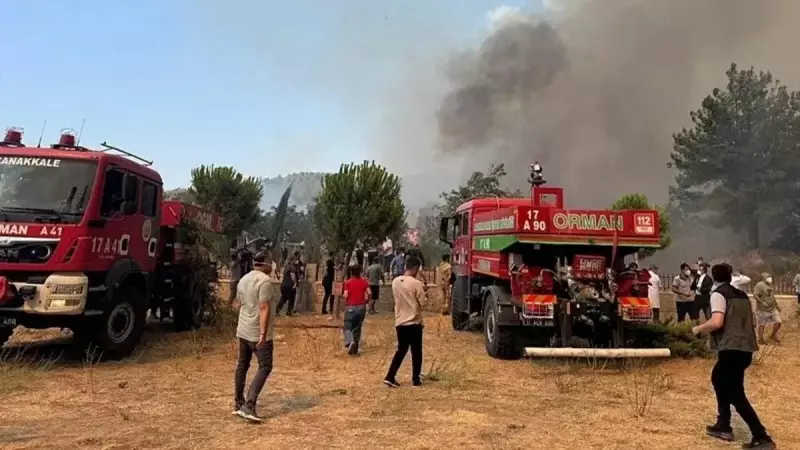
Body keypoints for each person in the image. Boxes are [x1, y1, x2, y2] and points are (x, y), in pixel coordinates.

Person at [691, 263, 775, 449]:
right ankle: (723, 424)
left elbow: (717, 322)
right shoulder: (742, 295)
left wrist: (698, 329)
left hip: (731, 349)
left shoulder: (718, 294)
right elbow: (753, 322)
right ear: (730, 276)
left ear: (714, 277)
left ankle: (761, 436)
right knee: (719, 379)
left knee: (735, 393)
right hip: (745, 349)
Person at [232, 252, 277, 423]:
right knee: (265, 366)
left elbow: (237, 303)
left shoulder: (244, 279)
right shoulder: (265, 282)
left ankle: (238, 403)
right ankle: (249, 405)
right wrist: (263, 334)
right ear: (266, 264)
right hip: (256, 332)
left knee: (242, 365)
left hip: (242, 329)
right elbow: (264, 307)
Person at [384, 255, 425, 388]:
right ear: (414, 268)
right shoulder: (416, 284)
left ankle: (390, 376)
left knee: (401, 350)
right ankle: (416, 378)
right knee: (416, 351)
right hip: (414, 322)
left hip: (400, 321)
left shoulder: (396, 281)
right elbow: (423, 302)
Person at [342, 265, 370, 355]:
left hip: (351, 307)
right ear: (359, 272)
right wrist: (366, 300)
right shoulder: (364, 282)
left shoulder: (348, 282)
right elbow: (369, 292)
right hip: (362, 307)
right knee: (358, 327)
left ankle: (350, 342)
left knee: (348, 326)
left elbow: (346, 295)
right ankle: (355, 349)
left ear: (351, 272)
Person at [753, 273, 782, 344]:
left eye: (770, 276)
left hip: (772, 308)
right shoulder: (759, 285)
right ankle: (760, 339)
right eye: (768, 277)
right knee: (762, 324)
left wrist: (777, 306)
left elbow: (772, 297)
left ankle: (772, 335)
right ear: (763, 278)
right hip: (763, 309)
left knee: (778, 322)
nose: (770, 278)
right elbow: (755, 295)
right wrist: (762, 302)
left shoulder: (770, 285)